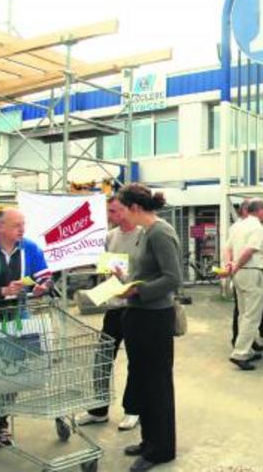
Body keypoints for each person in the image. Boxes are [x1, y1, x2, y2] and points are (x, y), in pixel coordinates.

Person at [0, 208, 53, 442]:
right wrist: (2, 291)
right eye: (17, 225)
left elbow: (45, 276)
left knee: (12, 371)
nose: (22, 229)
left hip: (18, 320)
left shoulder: (30, 248)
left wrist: (43, 286)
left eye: (23, 224)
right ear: (0, 227)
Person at [116, 184, 181, 471]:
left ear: (135, 208)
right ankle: (148, 441)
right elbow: (146, 274)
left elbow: (172, 278)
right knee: (142, 380)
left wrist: (137, 291)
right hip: (138, 316)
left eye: (120, 209)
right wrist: (125, 278)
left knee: (157, 384)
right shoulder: (144, 233)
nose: (118, 215)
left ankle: (162, 449)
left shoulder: (160, 232)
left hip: (155, 317)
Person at [75, 197, 141, 431]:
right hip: (113, 307)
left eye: (114, 210)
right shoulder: (110, 237)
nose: (110, 214)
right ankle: (98, 409)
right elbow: (106, 273)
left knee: (136, 361)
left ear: (129, 209)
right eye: (109, 211)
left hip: (135, 307)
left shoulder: (144, 235)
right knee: (102, 358)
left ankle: (133, 409)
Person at [226, 198, 263, 371]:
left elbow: (227, 248)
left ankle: (247, 348)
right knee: (252, 315)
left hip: (239, 274)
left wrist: (231, 265)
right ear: (259, 211)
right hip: (251, 270)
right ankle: (240, 352)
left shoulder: (237, 226)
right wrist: (237, 264)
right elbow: (250, 250)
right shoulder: (258, 228)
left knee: (243, 313)